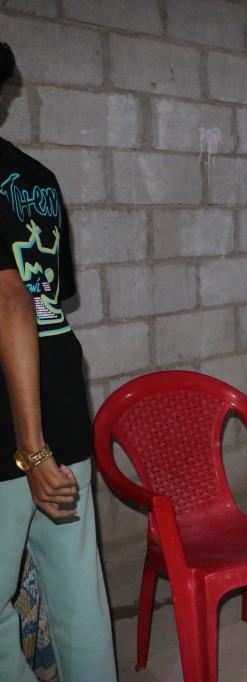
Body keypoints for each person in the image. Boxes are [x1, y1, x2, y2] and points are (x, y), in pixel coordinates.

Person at [0, 41, 117, 681]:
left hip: (12, 423)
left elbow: (10, 301)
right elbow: (50, 296)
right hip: (63, 394)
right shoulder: (38, 179)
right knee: (77, 593)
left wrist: (32, 450)